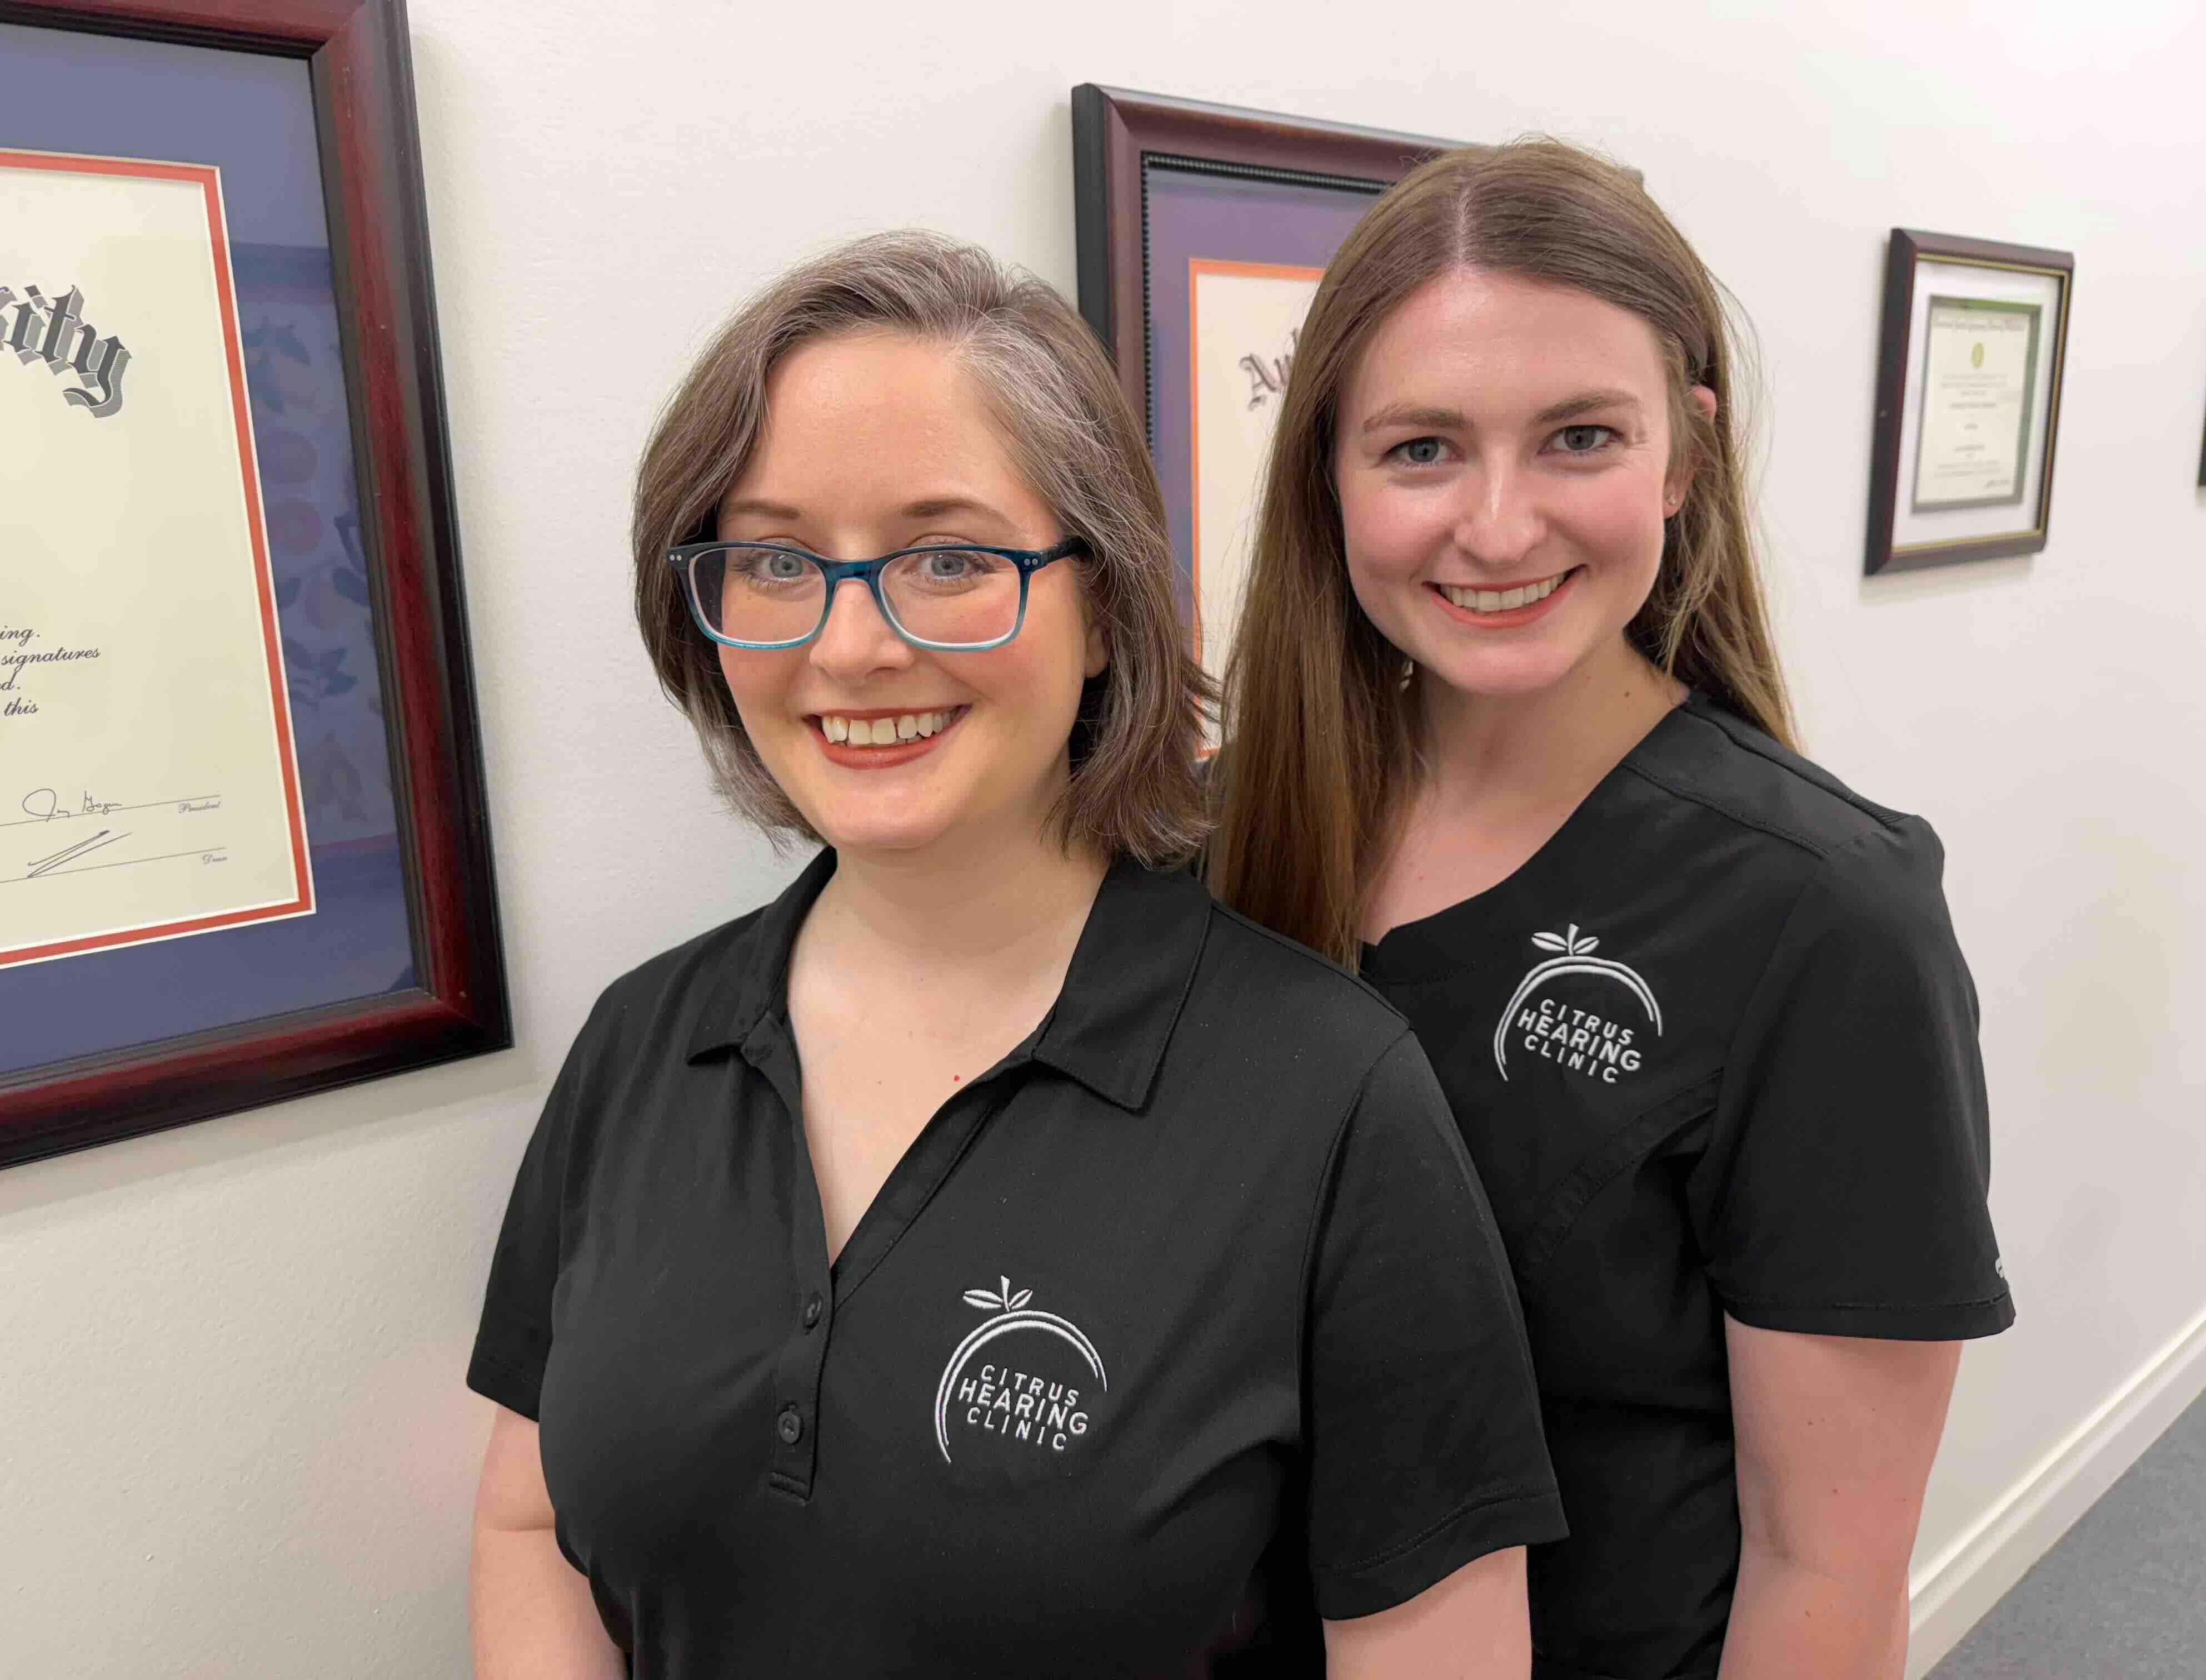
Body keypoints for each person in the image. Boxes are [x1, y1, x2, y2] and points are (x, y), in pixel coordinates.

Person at [465, 231, 1565, 1678]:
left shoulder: (1328, 1098)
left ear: (1107, 609)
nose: (852, 647)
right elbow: (529, 1520)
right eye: (778, 561)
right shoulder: (641, 1042)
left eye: (949, 557)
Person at [1211, 142, 2014, 1680]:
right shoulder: (1224, 834)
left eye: (1579, 437)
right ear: (1328, 470)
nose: (1499, 528)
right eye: (1421, 450)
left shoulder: (1826, 920)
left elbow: (1825, 1568)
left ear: (1685, 458)